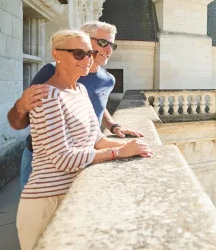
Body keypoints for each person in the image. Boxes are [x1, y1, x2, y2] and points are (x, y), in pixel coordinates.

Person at [16, 30, 152, 250]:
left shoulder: (79, 90)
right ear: (57, 55)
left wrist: (126, 144)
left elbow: (96, 138)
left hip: (71, 196)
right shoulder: (46, 95)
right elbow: (63, 158)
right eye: (78, 53)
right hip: (47, 201)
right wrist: (118, 153)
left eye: (89, 53)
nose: (88, 59)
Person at [7, 21, 144, 191]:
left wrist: (114, 126)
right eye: (103, 43)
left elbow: (99, 105)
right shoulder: (51, 72)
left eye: (112, 45)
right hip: (46, 161)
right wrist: (20, 107)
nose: (109, 49)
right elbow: (19, 121)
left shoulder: (108, 79)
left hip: (90, 155)